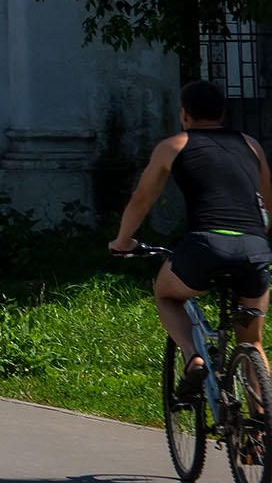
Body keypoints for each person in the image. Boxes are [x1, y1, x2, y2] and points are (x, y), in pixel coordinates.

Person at [110, 79, 272, 399]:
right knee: (251, 342)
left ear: (184, 114)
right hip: (255, 248)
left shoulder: (174, 145)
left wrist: (122, 241)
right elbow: (267, 203)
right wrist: (254, 239)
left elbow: (141, 199)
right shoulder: (251, 144)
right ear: (223, 113)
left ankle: (193, 357)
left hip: (205, 246)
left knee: (167, 296)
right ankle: (261, 429)